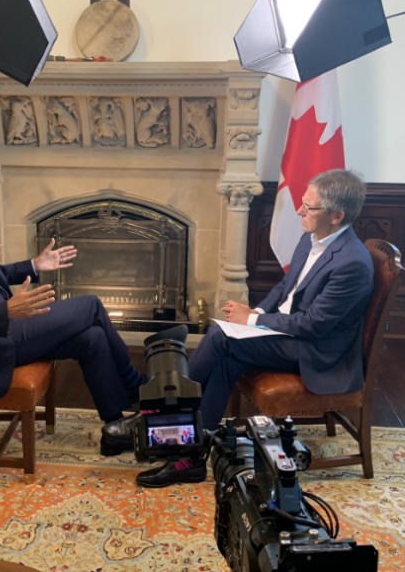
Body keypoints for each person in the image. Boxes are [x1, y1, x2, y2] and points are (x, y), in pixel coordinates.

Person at [136, 169, 374, 488]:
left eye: (309, 207)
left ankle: (163, 412)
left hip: (315, 350)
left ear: (337, 215)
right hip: (287, 332)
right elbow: (286, 286)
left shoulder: (352, 262)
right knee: (226, 359)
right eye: (302, 203)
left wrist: (251, 321)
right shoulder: (312, 238)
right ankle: (191, 455)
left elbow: (314, 325)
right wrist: (257, 311)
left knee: (220, 336)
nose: (300, 211)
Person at [0, 141, 146, 456]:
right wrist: (4, 310)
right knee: (90, 305)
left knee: (91, 337)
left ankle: (116, 427)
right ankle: (139, 389)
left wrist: (34, 266)